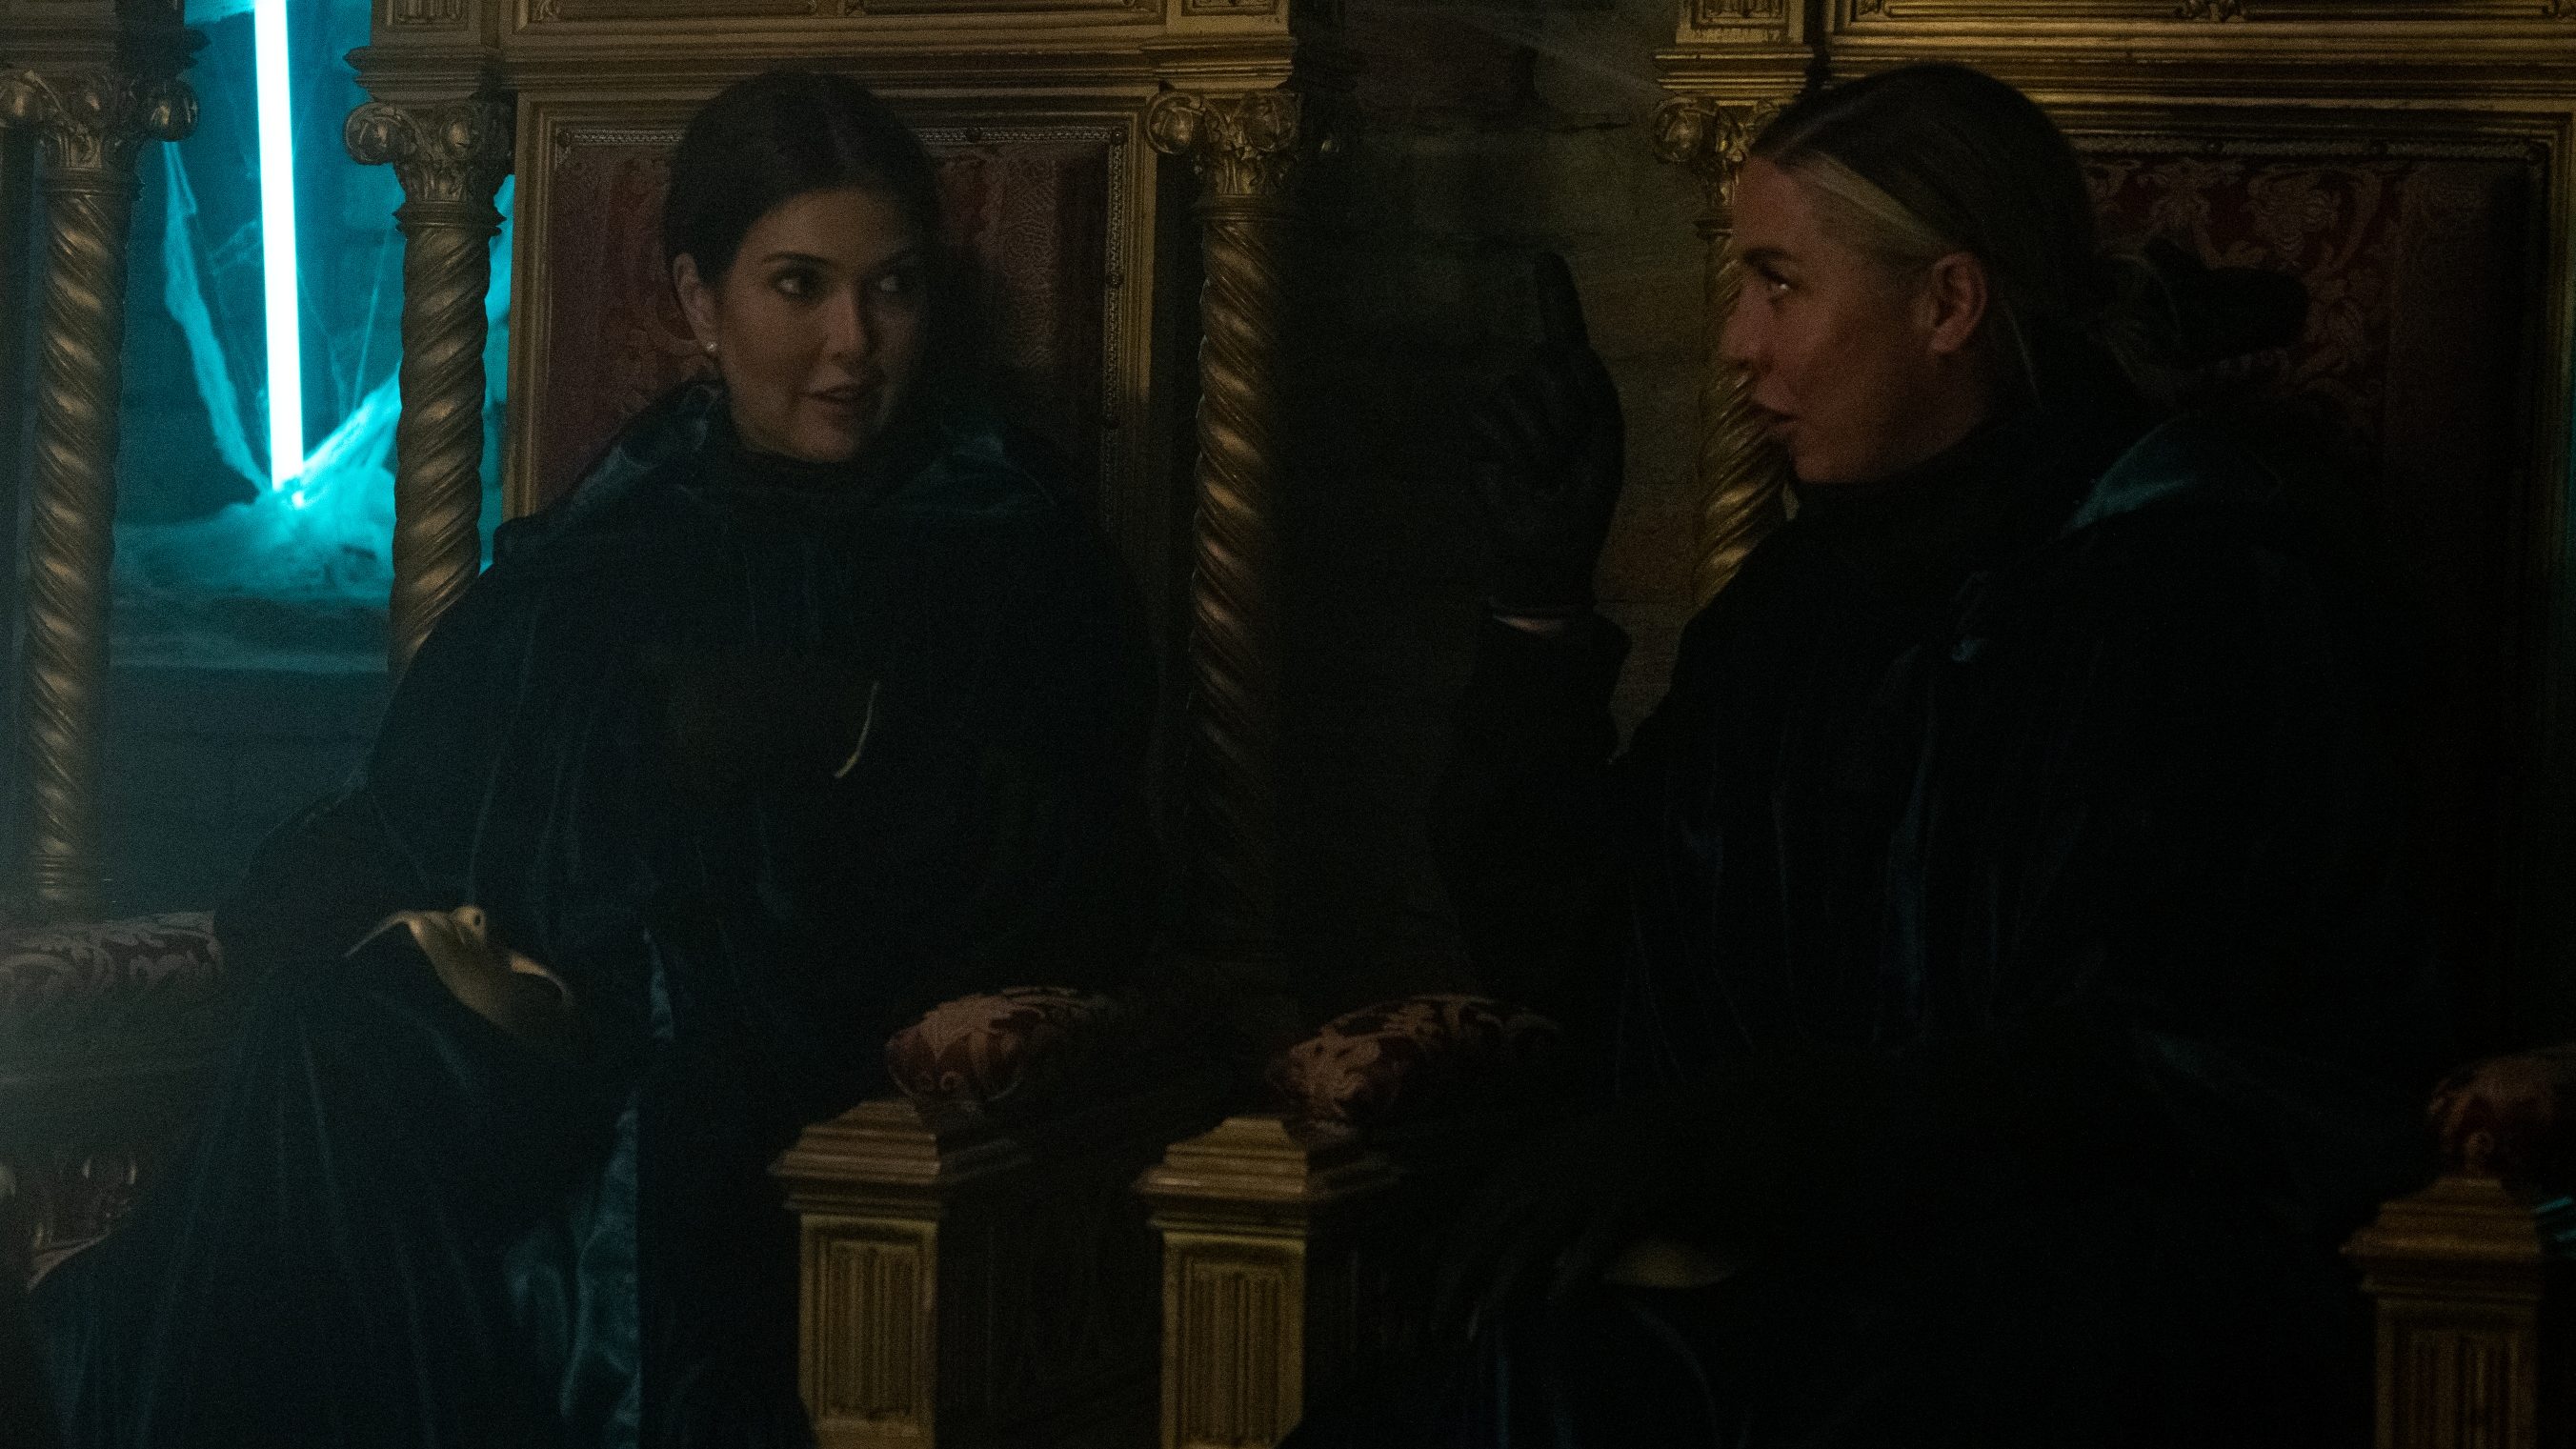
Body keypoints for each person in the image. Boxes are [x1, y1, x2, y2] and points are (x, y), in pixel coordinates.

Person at [1294, 63, 2449, 1448]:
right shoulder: (1800, 603)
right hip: (1763, 1281)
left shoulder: (2191, 590)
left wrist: (1759, 1140)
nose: (1738, 345)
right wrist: (1540, 603)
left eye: (1779, 284)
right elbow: (1589, 956)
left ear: (1947, 304)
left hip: (2059, 1322)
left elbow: (2186, 1072)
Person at [25, 69, 1151, 1448]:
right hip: (526, 1045)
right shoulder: (624, 526)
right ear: (699, 301)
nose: (854, 343)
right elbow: (413, 803)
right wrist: (398, 931)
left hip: (766, 1068)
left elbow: (1086, 875)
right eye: (799, 287)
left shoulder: (1006, 544)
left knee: (358, 1111)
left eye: (894, 288)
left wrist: (848, 732)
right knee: (330, 1042)